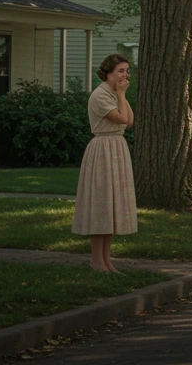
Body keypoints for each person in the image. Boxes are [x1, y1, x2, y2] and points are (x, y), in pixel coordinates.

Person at [72, 53, 137, 272]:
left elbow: (130, 120)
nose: (125, 74)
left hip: (117, 148)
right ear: (108, 72)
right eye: (121, 70)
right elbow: (122, 118)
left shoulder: (116, 93)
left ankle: (107, 260)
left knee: (111, 205)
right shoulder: (100, 95)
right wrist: (121, 94)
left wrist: (121, 94)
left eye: (127, 71)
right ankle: (96, 260)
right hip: (102, 150)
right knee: (100, 203)